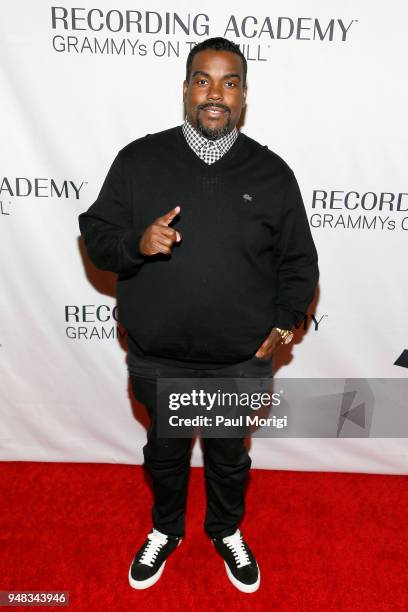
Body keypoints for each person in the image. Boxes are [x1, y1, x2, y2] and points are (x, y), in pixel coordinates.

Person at [78, 36, 319, 594]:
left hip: (239, 360)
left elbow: (299, 262)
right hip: (160, 356)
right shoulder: (139, 160)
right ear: (186, 89)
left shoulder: (271, 173)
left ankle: (225, 528)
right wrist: (137, 242)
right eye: (204, 80)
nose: (216, 94)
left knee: (229, 457)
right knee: (164, 454)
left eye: (229, 82)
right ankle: (165, 528)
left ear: (243, 96)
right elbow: (97, 236)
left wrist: (286, 325)